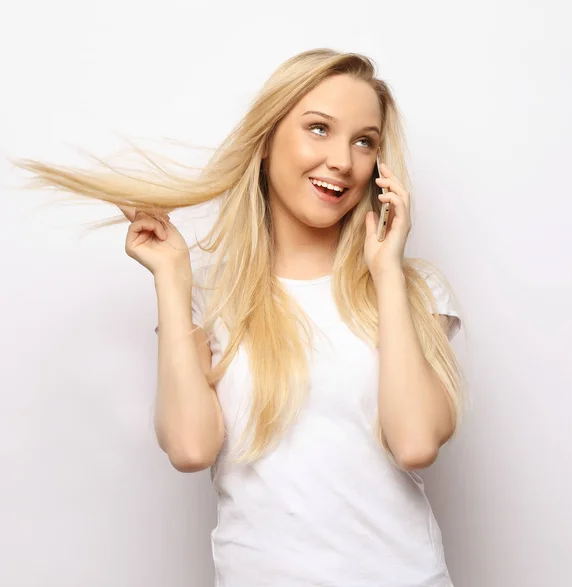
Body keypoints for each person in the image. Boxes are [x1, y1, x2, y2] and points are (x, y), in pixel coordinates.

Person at [16, 48, 465, 587]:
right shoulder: (212, 295)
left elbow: (416, 443)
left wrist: (387, 273)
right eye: (318, 129)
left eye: (364, 141)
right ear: (266, 140)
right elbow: (189, 448)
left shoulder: (414, 289)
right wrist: (173, 279)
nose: (343, 161)